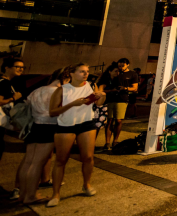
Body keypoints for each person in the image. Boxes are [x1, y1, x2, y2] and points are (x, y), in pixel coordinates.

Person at [47, 63, 107, 207]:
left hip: (86, 124)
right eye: (82, 72)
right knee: (61, 160)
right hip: (66, 125)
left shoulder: (91, 86)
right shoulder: (62, 90)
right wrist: (72, 104)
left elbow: (99, 105)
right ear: (71, 74)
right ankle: (55, 194)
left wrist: (102, 96)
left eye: (87, 71)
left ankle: (86, 184)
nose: (86, 74)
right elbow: (52, 112)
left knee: (88, 157)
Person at [17, 69, 70, 204]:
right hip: (48, 127)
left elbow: (27, 104)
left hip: (34, 126)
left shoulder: (38, 90)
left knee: (28, 161)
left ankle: (23, 194)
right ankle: (31, 195)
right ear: (65, 78)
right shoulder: (58, 92)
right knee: (38, 163)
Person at [101, 58, 138, 151]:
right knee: (109, 120)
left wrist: (124, 88)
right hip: (110, 98)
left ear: (128, 64)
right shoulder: (115, 73)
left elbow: (134, 88)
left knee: (118, 120)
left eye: (123, 65)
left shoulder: (132, 74)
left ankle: (115, 140)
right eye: (119, 66)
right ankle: (107, 142)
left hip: (122, 98)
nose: (121, 67)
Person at [0, 58, 23, 165]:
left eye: (22, 67)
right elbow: (0, 101)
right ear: (7, 68)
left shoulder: (4, 82)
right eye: (17, 67)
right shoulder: (4, 83)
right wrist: (13, 98)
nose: (21, 69)